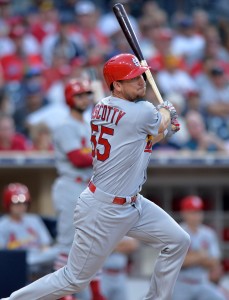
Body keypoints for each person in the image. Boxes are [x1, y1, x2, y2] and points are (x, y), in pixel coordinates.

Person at [1, 53, 191, 300]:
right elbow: (156, 119)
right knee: (74, 279)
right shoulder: (142, 110)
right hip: (104, 209)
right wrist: (166, 111)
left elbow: (141, 138)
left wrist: (164, 128)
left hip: (133, 202)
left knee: (178, 241)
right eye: (132, 78)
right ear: (117, 85)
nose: (141, 82)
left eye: (141, 76)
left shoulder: (103, 106)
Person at [51, 78, 105, 300]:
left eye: (86, 94)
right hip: (70, 185)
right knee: (67, 241)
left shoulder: (87, 125)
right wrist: (104, 153)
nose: (84, 99)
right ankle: (62, 294)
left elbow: (90, 157)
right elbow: (78, 159)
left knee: (93, 241)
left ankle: (95, 292)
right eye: (79, 95)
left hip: (88, 188)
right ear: (69, 98)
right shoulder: (65, 126)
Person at [172, 195, 226, 300]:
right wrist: (201, 256)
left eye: (198, 211)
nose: (196, 215)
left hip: (202, 282)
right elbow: (177, 262)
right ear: (184, 213)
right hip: (181, 283)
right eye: (192, 212)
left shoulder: (208, 233)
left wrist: (191, 257)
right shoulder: (177, 231)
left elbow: (214, 262)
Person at [0, 183, 58, 278]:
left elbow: (45, 246)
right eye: (16, 203)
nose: (21, 206)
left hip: (38, 260)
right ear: (8, 204)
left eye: (24, 203)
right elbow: (2, 251)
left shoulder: (34, 220)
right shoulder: (3, 224)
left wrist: (44, 256)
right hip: (15, 262)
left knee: (60, 251)